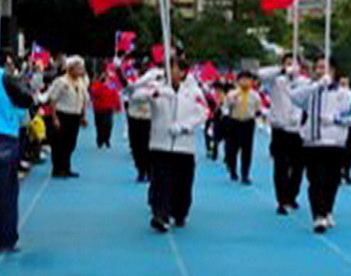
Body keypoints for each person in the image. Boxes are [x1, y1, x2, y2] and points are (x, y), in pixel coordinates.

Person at [128, 57, 208, 233]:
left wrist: (184, 126)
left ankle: (180, 213)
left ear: (183, 72)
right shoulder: (157, 88)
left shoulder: (193, 92)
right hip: (160, 143)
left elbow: (203, 112)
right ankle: (160, 215)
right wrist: (154, 90)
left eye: (174, 68)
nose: (170, 72)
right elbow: (134, 96)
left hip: (184, 145)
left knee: (183, 183)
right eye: (167, 68)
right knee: (160, 181)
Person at [289, 56, 351, 233]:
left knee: (332, 180)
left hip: (335, 142)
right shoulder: (309, 91)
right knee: (316, 180)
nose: (321, 71)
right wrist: (317, 85)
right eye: (318, 68)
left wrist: (335, 120)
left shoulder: (345, 94)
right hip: (313, 143)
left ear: (334, 72)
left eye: (325, 68)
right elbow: (294, 97)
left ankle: (327, 209)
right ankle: (318, 216)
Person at [259, 55, 305, 215]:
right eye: (288, 63)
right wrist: (282, 70)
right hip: (280, 129)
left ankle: (292, 195)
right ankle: (282, 200)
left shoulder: (304, 83)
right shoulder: (276, 81)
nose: (292, 67)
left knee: (298, 167)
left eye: (295, 64)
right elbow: (261, 74)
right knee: (281, 166)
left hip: (298, 130)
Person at [1, 48, 35, 252]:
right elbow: (27, 100)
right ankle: (6, 238)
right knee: (6, 191)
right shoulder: (7, 79)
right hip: (5, 136)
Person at [44, 55, 89, 178]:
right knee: (59, 143)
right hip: (63, 114)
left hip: (75, 115)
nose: (81, 70)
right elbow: (53, 99)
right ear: (71, 68)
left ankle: (66, 167)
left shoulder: (81, 82)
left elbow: (84, 99)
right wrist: (54, 118)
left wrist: (84, 116)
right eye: (78, 68)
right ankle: (57, 168)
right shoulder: (61, 81)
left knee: (71, 143)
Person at [223, 71, 263, 184]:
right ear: (238, 81)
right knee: (232, 148)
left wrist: (259, 122)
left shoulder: (255, 96)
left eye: (248, 80)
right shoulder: (232, 94)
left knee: (247, 150)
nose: (245, 82)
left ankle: (245, 174)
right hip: (234, 122)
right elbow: (225, 108)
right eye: (243, 79)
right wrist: (231, 102)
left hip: (248, 123)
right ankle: (233, 170)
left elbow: (258, 111)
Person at [89, 65, 122, 149]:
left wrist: (118, 105)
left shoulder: (111, 84)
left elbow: (115, 94)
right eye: (103, 75)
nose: (105, 77)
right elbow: (95, 94)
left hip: (109, 107)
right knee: (99, 125)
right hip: (98, 108)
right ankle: (100, 140)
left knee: (108, 125)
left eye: (106, 75)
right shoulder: (96, 84)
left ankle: (107, 139)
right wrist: (102, 84)